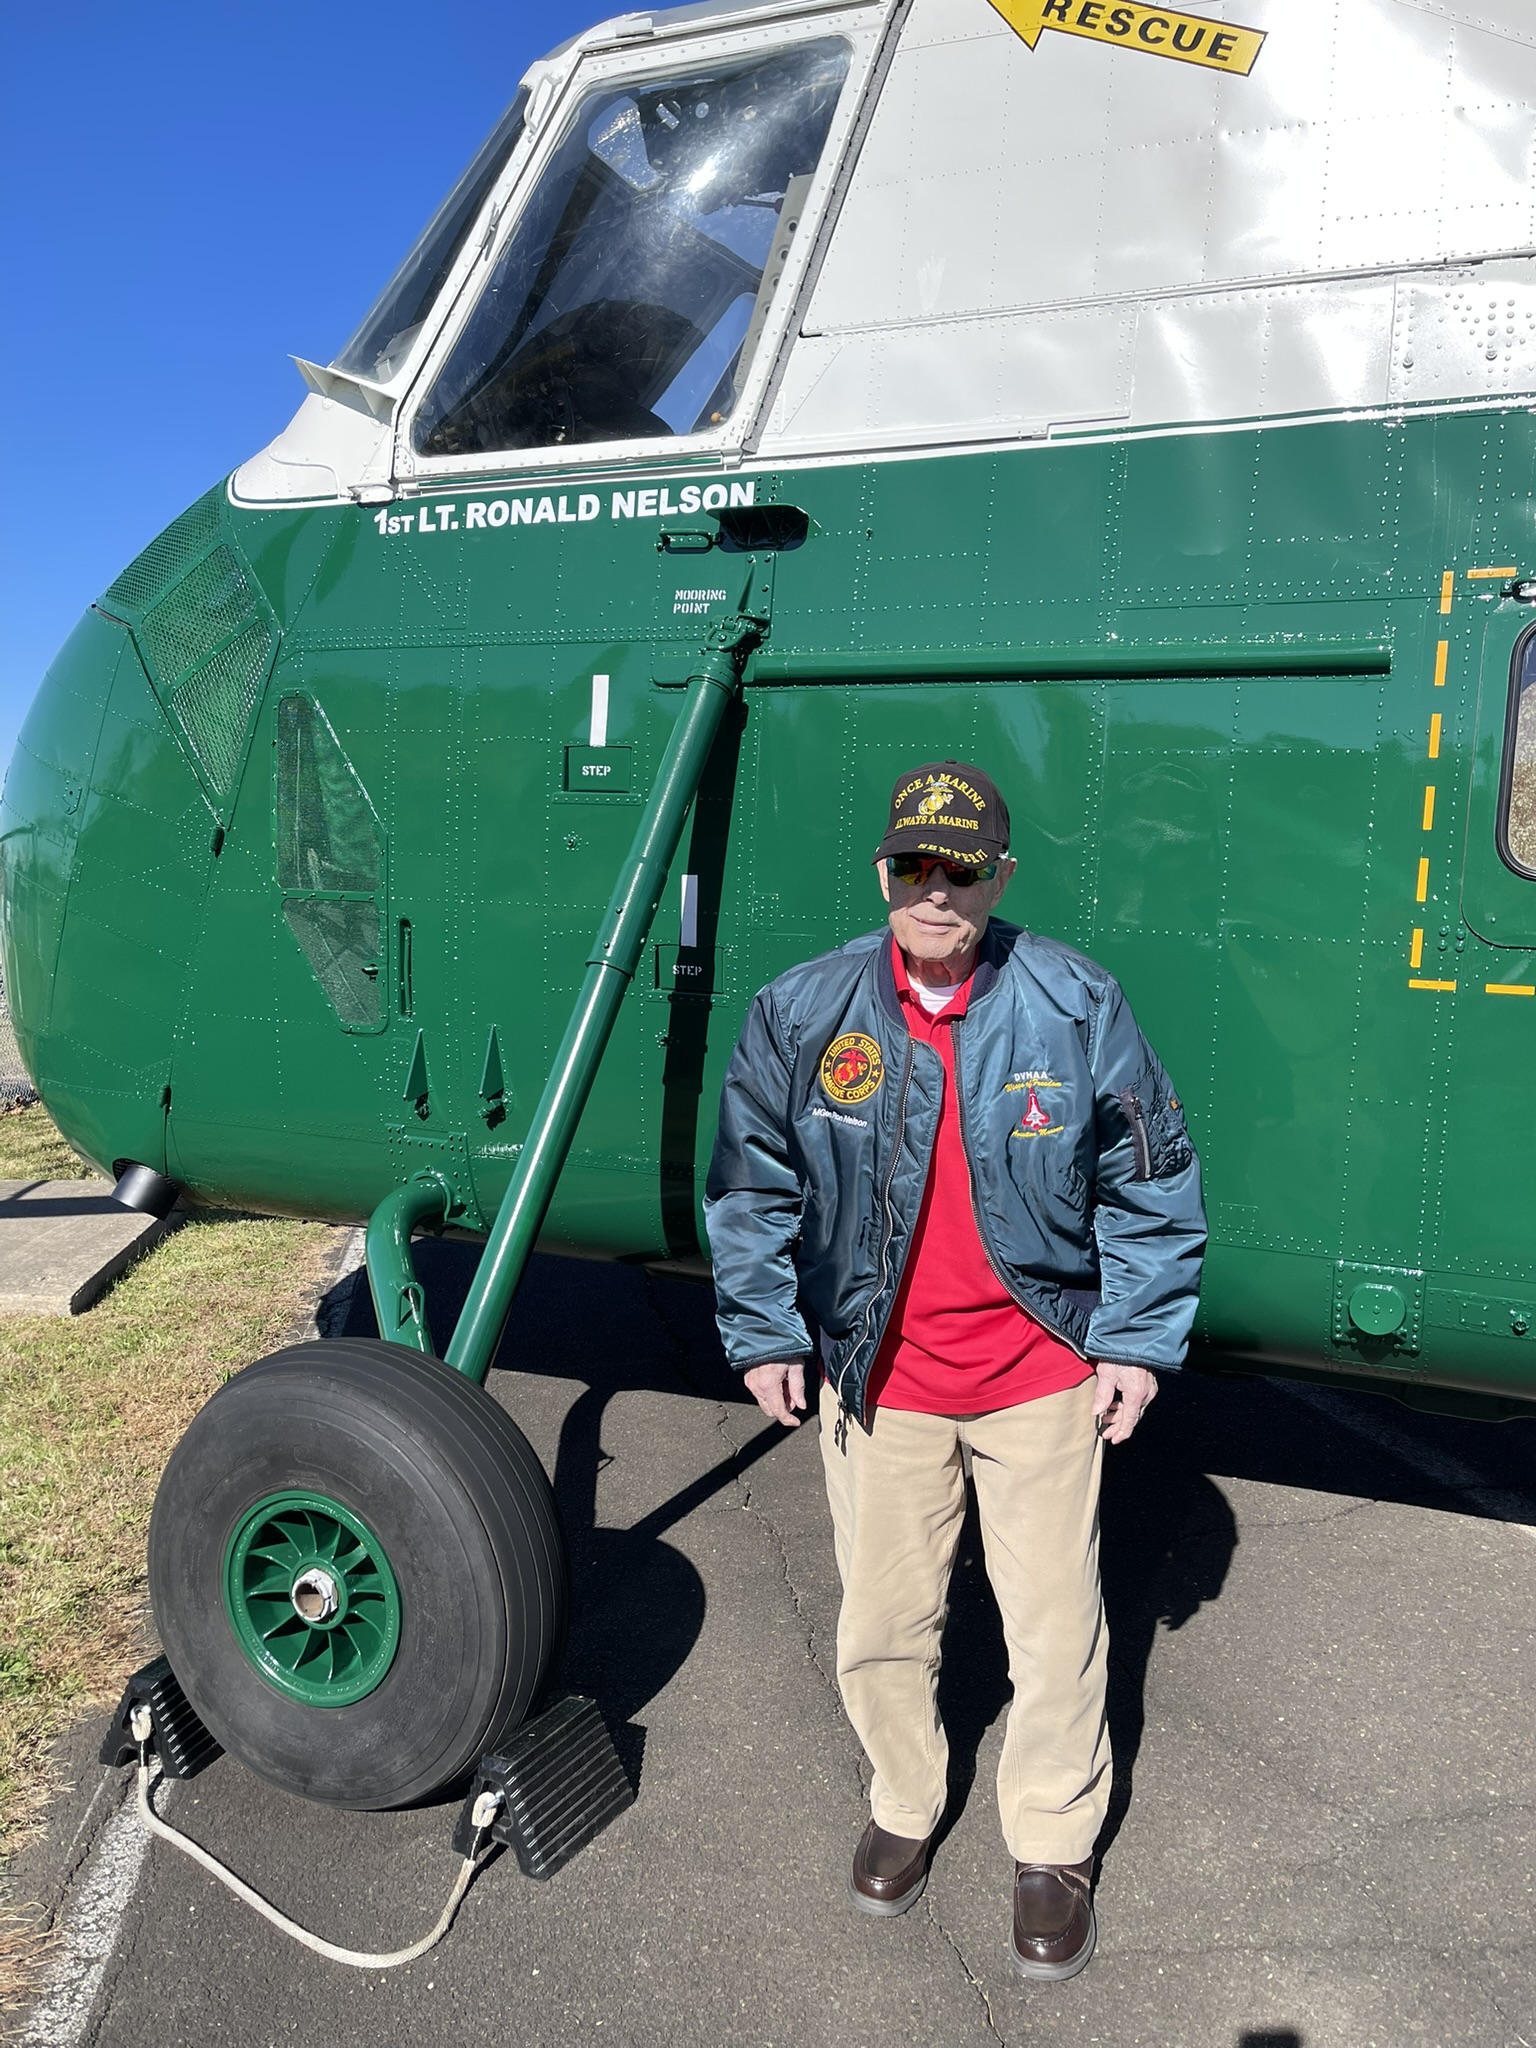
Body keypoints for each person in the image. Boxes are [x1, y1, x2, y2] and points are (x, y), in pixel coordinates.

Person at [704, 760, 1206, 1981]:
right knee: (883, 1619)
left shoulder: (1076, 1001)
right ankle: (904, 1794)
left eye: (962, 866)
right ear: (884, 869)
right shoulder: (802, 1009)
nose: (937, 890)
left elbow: (1149, 1181)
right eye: (914, 864)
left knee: (1056, 1627)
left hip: (1038, 1370)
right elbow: (752, 1186)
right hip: (880, 1377)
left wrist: (1135, 1341)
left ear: (999, 875)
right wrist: (767, 1329)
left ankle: (1052, 1837)